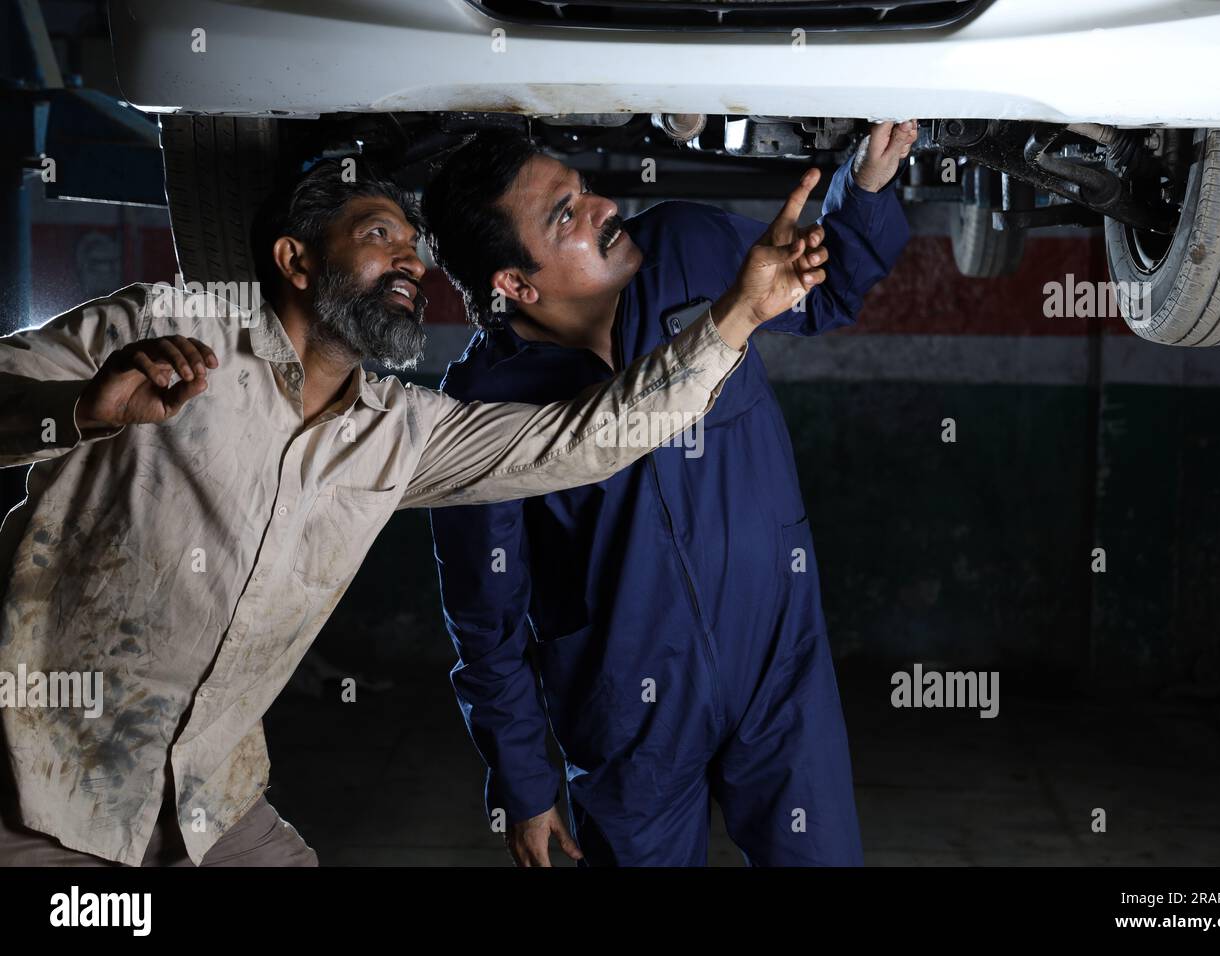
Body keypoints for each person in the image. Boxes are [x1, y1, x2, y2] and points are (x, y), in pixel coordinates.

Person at [0, 154, 828, 866]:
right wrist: (77, 409)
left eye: (415, 248)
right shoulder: (162, 327)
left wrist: (741, 315)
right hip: (34, 784)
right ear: (295, 260)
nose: (410, 263)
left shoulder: (399, 431)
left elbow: (593, 437)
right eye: (377, 236)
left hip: (207, 804)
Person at [423, 122, 915, 866]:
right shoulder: (485, 407)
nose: (602, 207)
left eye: (583, 189)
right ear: (516, 285)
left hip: (774, 664)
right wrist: (525, 783)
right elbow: (485, 621)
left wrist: (868, 184)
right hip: (627, 709)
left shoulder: (689, 244)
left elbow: (831, 289)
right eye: (566, 215)